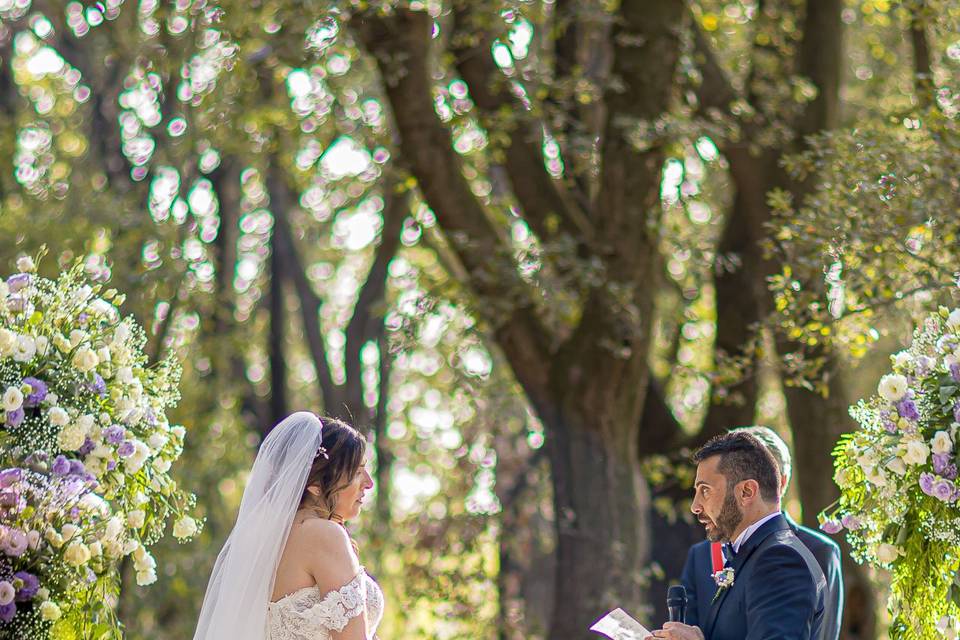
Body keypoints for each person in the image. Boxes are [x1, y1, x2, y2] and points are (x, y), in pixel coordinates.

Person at [193, 412, 381, 640]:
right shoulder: (324, 536)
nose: (369, 483)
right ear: (315, 485)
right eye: (358, 472)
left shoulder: (266, 539)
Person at [652, 432, 825, 640]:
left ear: (746, 492)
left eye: (705, 491)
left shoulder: (780, 560)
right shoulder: (753, 553)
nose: (695, 506)